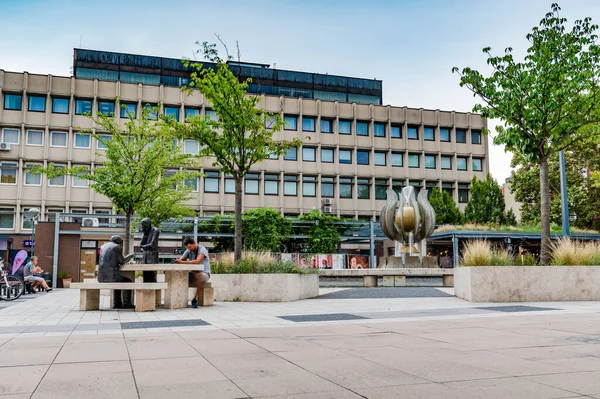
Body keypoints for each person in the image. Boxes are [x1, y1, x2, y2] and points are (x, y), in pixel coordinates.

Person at [98, 236, 134, 309]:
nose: (121, 243)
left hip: (101, 277)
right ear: (118, 241)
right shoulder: (117, 247)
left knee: (118, 282)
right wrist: (130, 256)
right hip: (112, 276)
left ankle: (117, 303)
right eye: (121, 242)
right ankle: (127, 303)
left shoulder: (102, 246)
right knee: (128, 281)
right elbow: (122, 261)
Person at [175, 237, 210, 308]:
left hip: (204, 273)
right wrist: (177, 261)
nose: (190, 249)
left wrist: (182, 262)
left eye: (190, 247)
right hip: (193, 273)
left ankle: (195, 299)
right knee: (179, 275)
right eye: (188, 248)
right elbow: (181, 259)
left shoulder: (202, 249)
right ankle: (178, 299)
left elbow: (197, 261)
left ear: (194, 243)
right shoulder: (188, 250)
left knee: (199, 276)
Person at [140, 218, 160, 283]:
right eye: (142, 225)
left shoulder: (155, 230)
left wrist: (143, 247)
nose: (143, 227)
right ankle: (145, 292)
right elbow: (141, 243)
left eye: (144, 225)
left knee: (152, 276)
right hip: (145, 256)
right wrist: (145, 234)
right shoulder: (146, 231)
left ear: (148, 224)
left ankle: (153, 292)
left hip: (152, 255)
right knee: (145, 277)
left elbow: (152, 244)